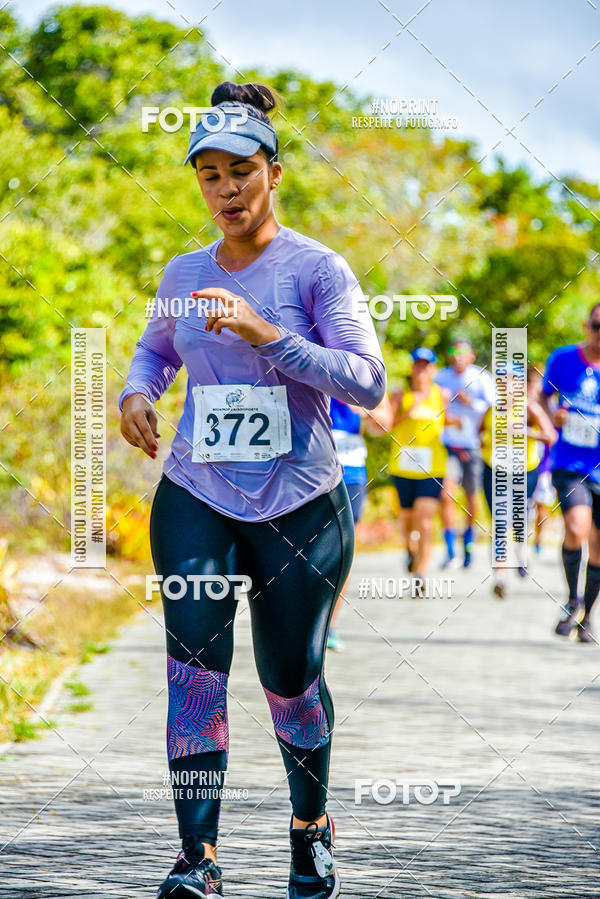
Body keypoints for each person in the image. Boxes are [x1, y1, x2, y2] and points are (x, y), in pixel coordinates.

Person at [119, 81, 385, 899]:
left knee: (290, 674)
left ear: (275, 173)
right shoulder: (184, 268)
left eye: (241, 170)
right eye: (208, 174)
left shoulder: (317, 268)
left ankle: (310, 830)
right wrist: (137, 392)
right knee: (194, 668)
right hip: (199, 489)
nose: (225, 189)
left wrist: (267, 333)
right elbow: (154, 347)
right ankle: (196, 858)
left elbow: (366, 383)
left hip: (300, 498)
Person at [540, 303, 600, 643]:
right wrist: (552, 419)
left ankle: (586, 617)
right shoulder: (563, 359)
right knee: (577, 528)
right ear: (586, 324)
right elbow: (540, 397)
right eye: (596, 326)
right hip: (570, 464)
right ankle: (571, 597)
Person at [479, 365, 556, 598]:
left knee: (520, 520)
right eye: (502, 381)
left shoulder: (529, 408)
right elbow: (479, 433)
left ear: (521, 385)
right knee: (500, 523)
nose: (507, 386)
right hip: (496, 470)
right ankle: (500, 577)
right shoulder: (491, 410)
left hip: (525, 471)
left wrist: (526, 432)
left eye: (512, 381)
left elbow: (551, 435)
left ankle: (522, 555)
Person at [382, 348, 454, 582]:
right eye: (418, 365)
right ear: (412, 368)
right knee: (406, 519)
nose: (422, 370)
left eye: (427, 365)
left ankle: (421, 573)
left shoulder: (442, 394)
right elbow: (387, 424)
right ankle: (410, 550)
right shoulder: (400, 394)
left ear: (433, 369)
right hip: (403, 466)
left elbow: (447, 423)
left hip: (432, 468)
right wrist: (408, 412)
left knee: (424, 518)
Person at [327, 396, 391, 650]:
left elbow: (383, 425)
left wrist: (364, 409)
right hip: (312, 470)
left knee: (343, 551)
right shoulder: (308, 363)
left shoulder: (362, 369)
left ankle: (328, 626)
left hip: (351, 473)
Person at [435, 337, 494, 569]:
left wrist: (470, 403)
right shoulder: (440, 377)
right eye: (453, 351)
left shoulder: (482, 378)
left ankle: (468, 545)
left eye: (463, 352)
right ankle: (450, 551)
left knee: (472, 497)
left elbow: (493, 411)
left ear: (472, 355)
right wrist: (448, 416)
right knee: (445, 495)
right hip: (448, 444)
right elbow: (433, 408)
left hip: (473, 445)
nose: (458, 356)